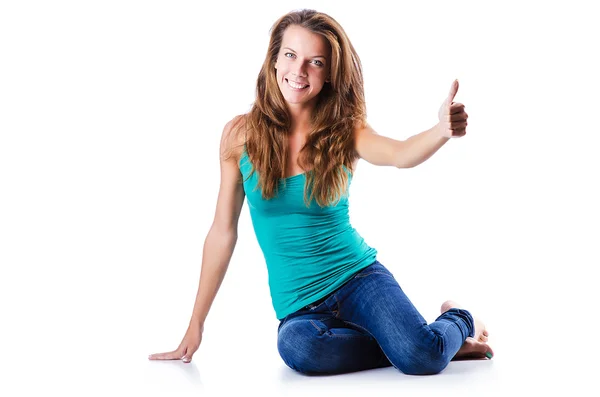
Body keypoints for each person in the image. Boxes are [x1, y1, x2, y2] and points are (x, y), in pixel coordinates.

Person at [148, 9, 493, 375]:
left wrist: (440, 130)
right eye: (291, 56)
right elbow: (222, 232)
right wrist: (196, 323)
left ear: (329, 74)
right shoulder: (240, 135)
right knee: (298, 348)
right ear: (274, 59)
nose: (299, 72)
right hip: (301, 308)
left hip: (359, 279)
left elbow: (400, 153)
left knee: (422, 358)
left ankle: (458, 319)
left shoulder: (345, 131)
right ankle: (409, 342)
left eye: (315, 62)